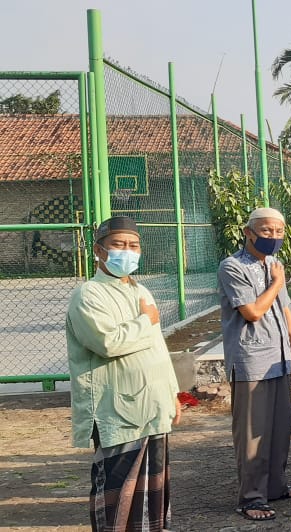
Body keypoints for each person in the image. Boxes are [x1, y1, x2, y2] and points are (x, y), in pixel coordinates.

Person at [66, 216, 181, 532]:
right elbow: (107, 342)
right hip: (116, 413)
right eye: (118, 245)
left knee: (152, 499)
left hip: (152, 408)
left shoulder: (142, 291)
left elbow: (157, 347)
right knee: (119, 499)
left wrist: (171, 393)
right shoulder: (88, 295)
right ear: (100, 251)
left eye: (133, 245)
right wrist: (146, 321)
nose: (127, 252)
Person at [218, 207, 291, 522]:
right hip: (251, 360)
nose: (274, 237)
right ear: (249, 232)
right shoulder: (232, 267)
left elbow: (285, 311)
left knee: (280, 428)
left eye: (279, 231)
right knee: (253, 433)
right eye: (267, 230)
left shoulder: (274, 265)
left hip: (279, 359)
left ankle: (275, 486)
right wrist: (276, 282)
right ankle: (251, 497)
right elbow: (253, 312)